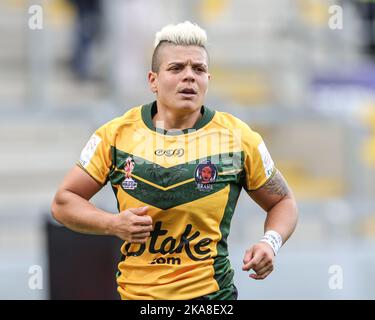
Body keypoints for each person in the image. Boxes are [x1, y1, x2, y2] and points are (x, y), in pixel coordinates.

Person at [51, 21, 298, 300]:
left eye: (199, 69)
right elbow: (64, 202)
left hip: (212, 299)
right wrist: (112, 223)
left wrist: (270, 242)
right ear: (152, 80)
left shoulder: (238, 138)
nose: (189, 77)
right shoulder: (116, 135)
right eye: (176, 68)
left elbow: (283, 201)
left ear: (208, 80)